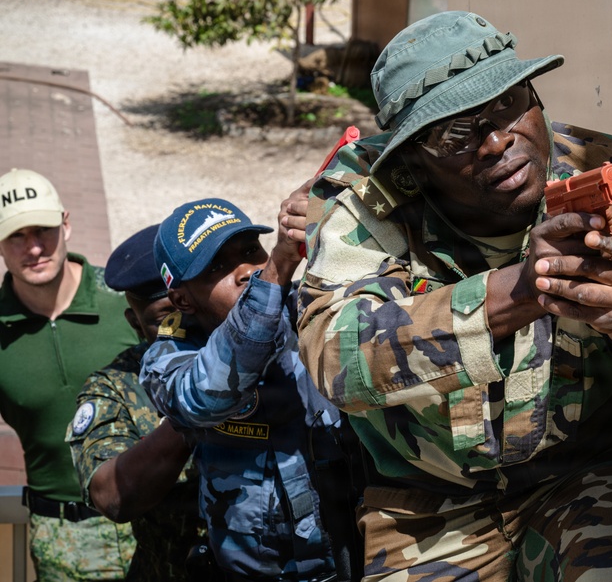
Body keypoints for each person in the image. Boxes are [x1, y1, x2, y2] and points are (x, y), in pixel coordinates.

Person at [296, 11, 612, 581]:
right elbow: (332, 361)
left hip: (589, 477)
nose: (494, 142)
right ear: (411, 158)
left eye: (507, 105)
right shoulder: (367, 205)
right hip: (428, 506)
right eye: (453, 133)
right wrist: (522, 289)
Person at [139, 191, 363, 582]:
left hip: (355, 557)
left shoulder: (311, 311)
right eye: (217, 268)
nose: (245, 270)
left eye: (250, 250)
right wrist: (275, 267)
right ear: (181, 298)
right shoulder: (167, 359)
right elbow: (206, 394)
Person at [0, 168, 137, 581]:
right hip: (56, 539)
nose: (34, 248)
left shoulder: (125, 299)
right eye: (16, 236)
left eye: (43, 229)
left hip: (151, 526)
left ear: (67, 224)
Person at [66, 223, 213, 582]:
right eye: (169, 320)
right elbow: (111, 495)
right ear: (135, 322)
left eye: (192, 311)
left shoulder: (255, 354)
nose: (185, 329)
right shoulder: (115, 386)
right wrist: (194, 406)